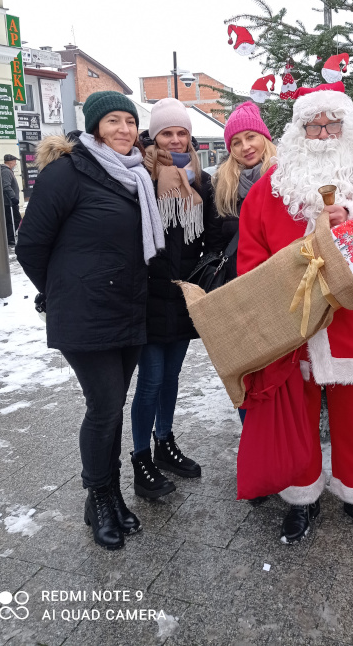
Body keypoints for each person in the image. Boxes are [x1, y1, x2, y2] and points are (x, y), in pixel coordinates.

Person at [237, 82, 353, 544]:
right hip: (294, 325)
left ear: (347, 127)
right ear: (297, 131)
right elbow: (250, 256)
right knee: (297, 417)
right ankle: (302, 498)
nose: (322, 134)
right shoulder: (272, 185)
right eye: (312, 126)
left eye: (331, 124)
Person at [16, 90, 163, 550]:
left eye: (130, 121)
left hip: (128, 309)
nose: (124, 129)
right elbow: (30, 245)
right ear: (95, 126)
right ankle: (99, 496)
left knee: (112, 405)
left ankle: (109, 492)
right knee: (103, 406)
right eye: (113, 121)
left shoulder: (134, 175)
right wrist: (63, 290)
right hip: (85, 313)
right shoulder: (67, 172)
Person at [130, 99, 223, 498]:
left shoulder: (201, 181)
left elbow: (213, 236)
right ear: (154, 136)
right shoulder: (140, 177)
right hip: (149, 294)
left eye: (181, 132)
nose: (174, 139)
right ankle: (141, 458)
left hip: (184, 293)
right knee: (150, 380)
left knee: (171, 377)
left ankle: (164, 442)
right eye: (166, 132)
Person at [212, 101, 276, 282]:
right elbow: (214, 243)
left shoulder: (284, 178)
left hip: (280, 281)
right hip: (238, 283)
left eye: (251, 137)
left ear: (263, 138)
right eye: (237, 142)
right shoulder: (223, 186)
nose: (245, 147)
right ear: (231, 149)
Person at [1, 154, 21, 246]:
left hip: (10, 202)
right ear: (11, 162)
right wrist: (13, 197)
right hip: (9, 202)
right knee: (15, 220)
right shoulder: (6, 171)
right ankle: (10, 239)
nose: (15, 164)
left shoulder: (7, 171)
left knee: (12, 220)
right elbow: (6, 185)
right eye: (15, 162)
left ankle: (10, 238)